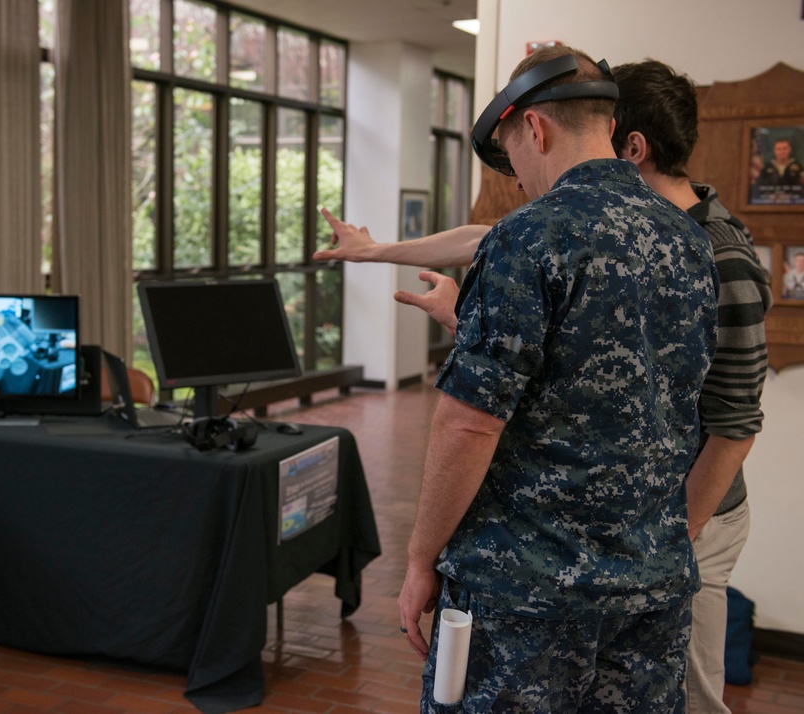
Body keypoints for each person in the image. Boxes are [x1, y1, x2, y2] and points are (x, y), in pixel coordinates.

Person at [317, 57, 771, 714]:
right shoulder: (692, 242)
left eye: (512, 160)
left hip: (527, 596)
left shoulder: (528, 236)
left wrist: (421, 560)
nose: (521, 181)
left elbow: (469, 423)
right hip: (651, 591)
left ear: (534, 127)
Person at [611, 60, 772, 714]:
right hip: (647, 519)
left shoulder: (721, 255)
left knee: (690, 699)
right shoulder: (639, 231)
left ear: (632, 147)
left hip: (692, 524)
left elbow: (735, 427)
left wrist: (673, 543)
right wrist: (377, 253)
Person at [753, 138, 803, 203]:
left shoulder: (798, 167)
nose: (782, 151)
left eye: (784, 149)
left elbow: (801, 188)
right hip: (770, 203)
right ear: (775, 151)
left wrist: (791, 196)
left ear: (789, 150)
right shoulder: (767, 168)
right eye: (779, 149)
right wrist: (769, 196)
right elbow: (760, 187)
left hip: (793, 203)